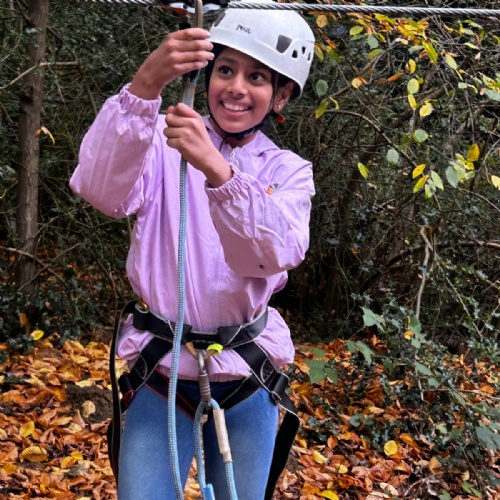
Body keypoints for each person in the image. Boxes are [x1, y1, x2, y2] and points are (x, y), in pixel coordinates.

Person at [70, 2, 315, 499]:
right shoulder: (163, 143)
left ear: (282, 95)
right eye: (225, 70)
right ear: (206, 75)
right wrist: (145, 87)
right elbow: (101, 190)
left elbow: (272, 253)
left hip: (246, 374)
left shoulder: (288, 172)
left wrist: (217, 171)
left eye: (257, 77)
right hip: (162, 371)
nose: (237, 87)